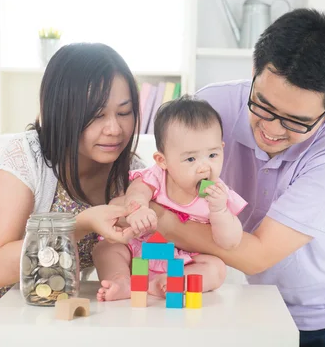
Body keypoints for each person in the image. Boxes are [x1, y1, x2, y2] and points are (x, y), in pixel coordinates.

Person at [153, 9, 325, 347]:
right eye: (263, 106)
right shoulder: (213, 109)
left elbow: (257, 254)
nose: (269, 129)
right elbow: (163, 179)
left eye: (294, 121)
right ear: (254, 71)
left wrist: (166, 222)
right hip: (267, 303)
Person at [0, 42, 145, 346]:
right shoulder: (28, 156)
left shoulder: (133, 174)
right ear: (61, 112)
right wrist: (81, 223)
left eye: (124, 112)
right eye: (96, 116)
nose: (115, 129)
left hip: (37, 320)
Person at [93, 96, 247, 301]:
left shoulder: (220, 193)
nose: (204, 167)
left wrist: (219, 211)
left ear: (222, 148)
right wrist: (139, 209)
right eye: (191, 159)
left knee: (217, 269)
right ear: (162, 161)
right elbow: (137, 192)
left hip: (184, 259)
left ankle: (173, 282)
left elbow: (230, 242)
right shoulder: (157, 176)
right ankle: (122, 280)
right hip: (142, 248)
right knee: (105, 248)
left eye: (212, 155)